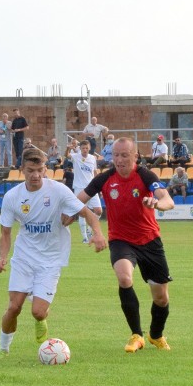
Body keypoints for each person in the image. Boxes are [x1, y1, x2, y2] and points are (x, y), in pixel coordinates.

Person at [0, 148, 106, 359]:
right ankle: (3, 349)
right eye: (30, 170)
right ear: (21, 170)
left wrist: (98, 234)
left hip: (51, 259)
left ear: (46, 169)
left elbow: (87, 213)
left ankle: (41, 319)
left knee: (38, 311)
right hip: (24, 257)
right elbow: (5, 233)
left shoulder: (58, 191)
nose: (36, 175)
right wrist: (2, 257)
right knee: (14, 307)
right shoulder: (12, 197)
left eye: (40, 170)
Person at [76, 137, 175, 353]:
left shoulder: (145, 175)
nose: (118, 160)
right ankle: (136, 335)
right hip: (121, 240)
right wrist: (68, 214)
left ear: (135, 156)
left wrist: (156, 203)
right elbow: (77, 200)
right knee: (124, 277)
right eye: (115, 155)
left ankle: (155, 335)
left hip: (150, 241)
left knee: (161, 298)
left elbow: (168, 201)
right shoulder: (104, 179)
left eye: (124, 155)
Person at [65, 140, 101, 243]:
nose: (85, 150)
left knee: (98, 210)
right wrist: (68, 148)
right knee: (81, 211)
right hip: (79, 187)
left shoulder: (92, 158)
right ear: (80, 148)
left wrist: (98, 185)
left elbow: (94, 172)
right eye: (83, 148)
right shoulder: (76, 157)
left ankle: (89, 230)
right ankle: (85, 237)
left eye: (86, 148)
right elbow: (66, 155)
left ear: (89, 148)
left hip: (91, 187)